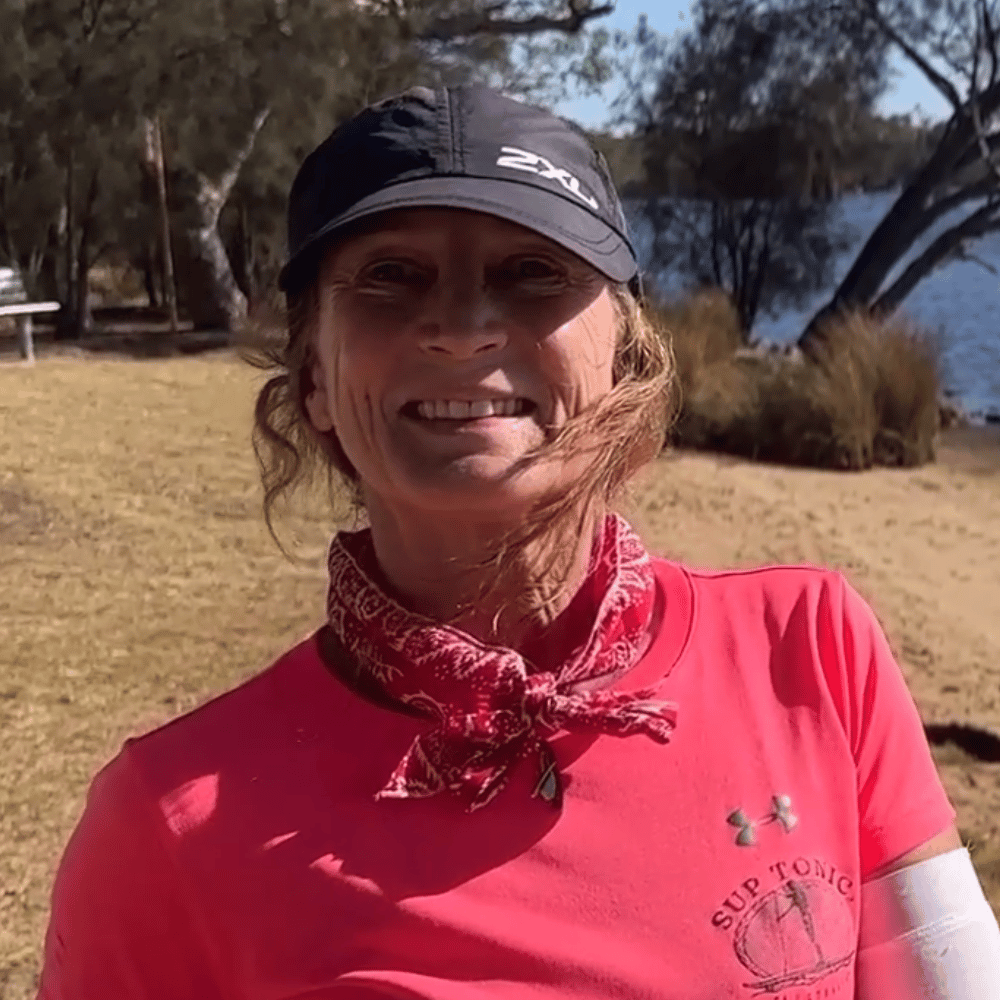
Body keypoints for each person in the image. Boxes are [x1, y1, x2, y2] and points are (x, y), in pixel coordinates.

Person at [36, 85, 1000, 999]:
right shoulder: (166, 827)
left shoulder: (811, 652)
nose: (461, 325)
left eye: (533, 271)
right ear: (315, 377)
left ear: (623, 358)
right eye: (390, 275)